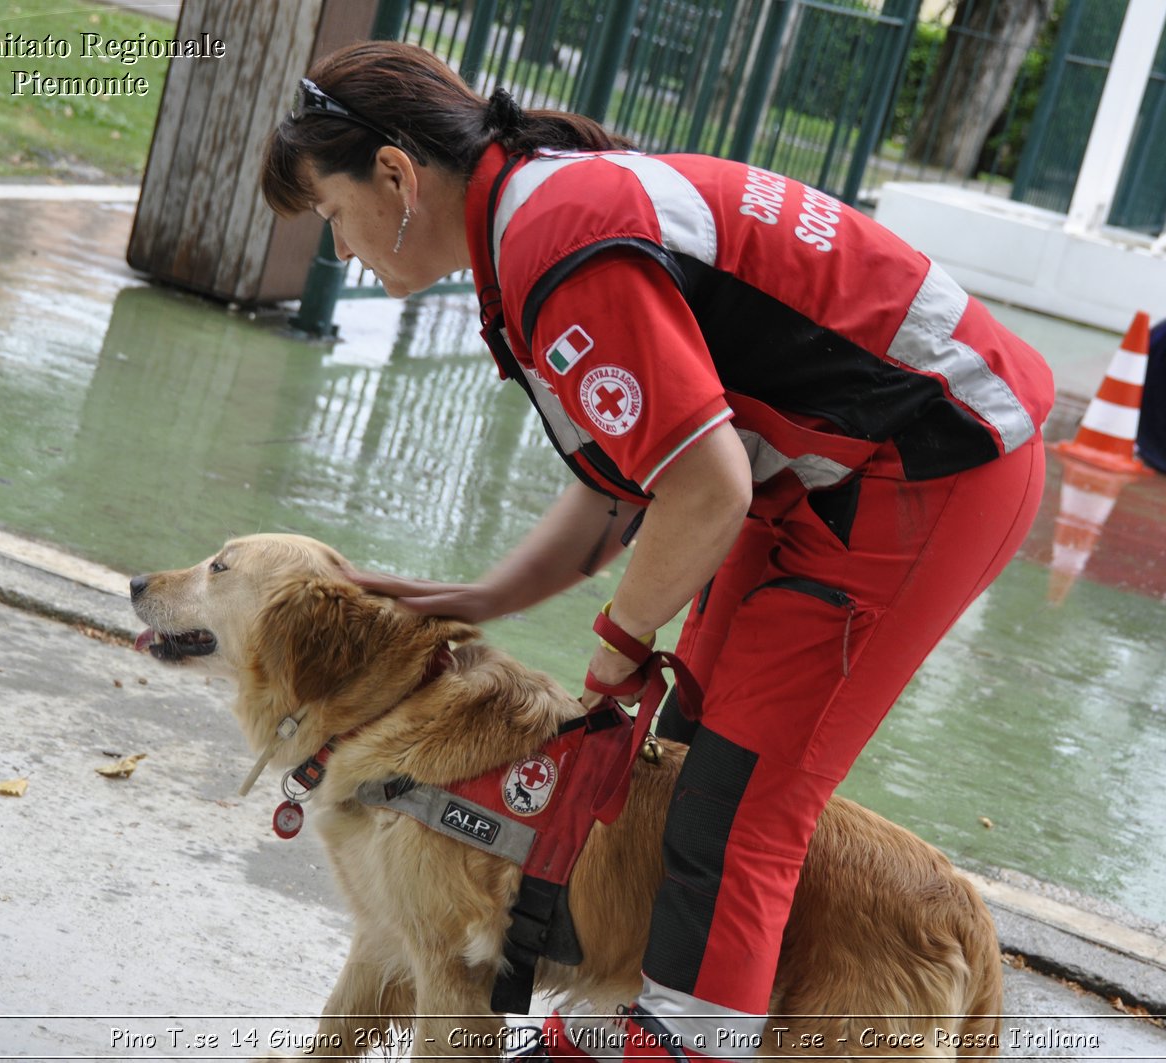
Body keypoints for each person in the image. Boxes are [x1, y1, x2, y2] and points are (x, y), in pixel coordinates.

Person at [260, 40, 1053, 1063]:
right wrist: (489, 592)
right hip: (827, 473)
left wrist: (619, 636)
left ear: (398, 178)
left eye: (331, 214)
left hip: (929, 466)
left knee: (738, 802)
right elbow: (622, 476)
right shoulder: (534, 220)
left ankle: (679, 1042)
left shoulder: (554, 240)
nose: (339, 250)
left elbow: (706, 487)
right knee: (682, 765)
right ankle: (626, 1010)